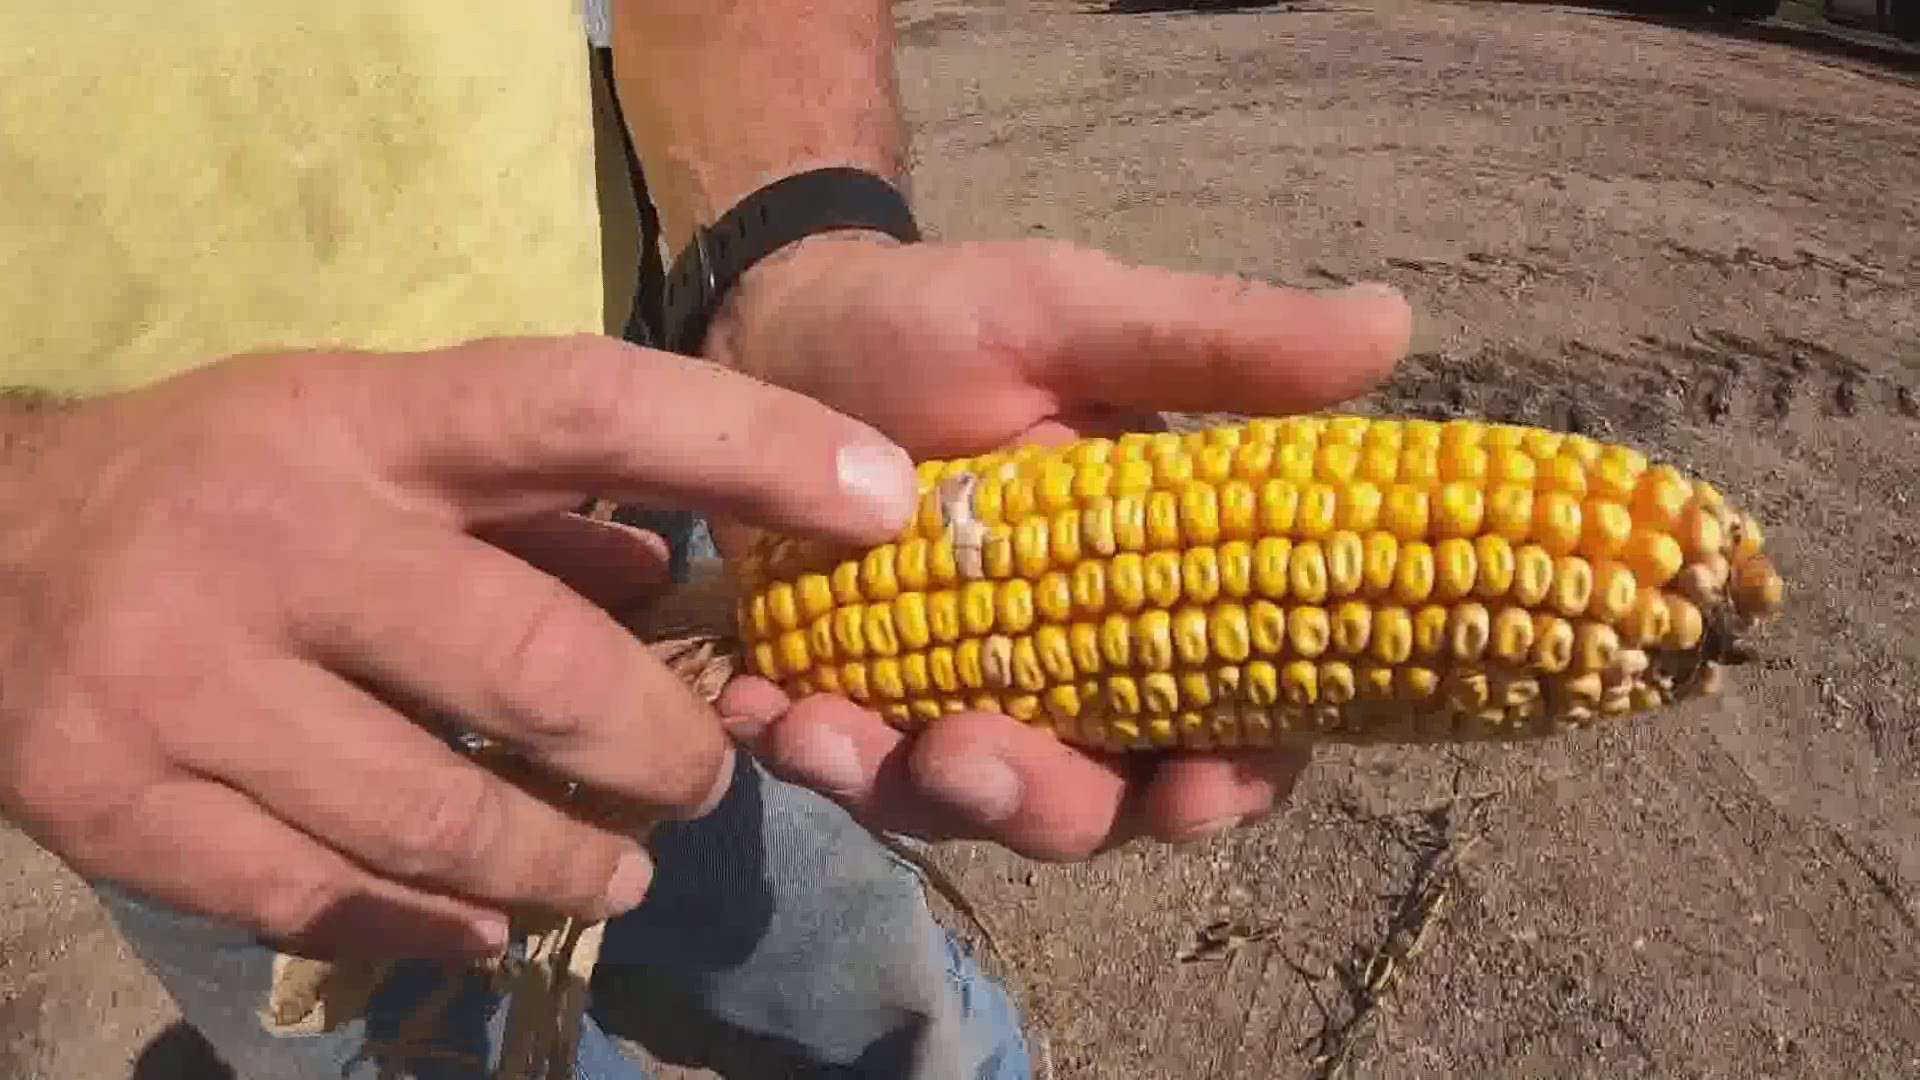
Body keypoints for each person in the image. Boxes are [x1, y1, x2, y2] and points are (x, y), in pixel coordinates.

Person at [0, 1, 1412, 1076]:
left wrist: (792, 251)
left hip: (673, 480)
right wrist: (32, 514)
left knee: (852, 970)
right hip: (142, 667)